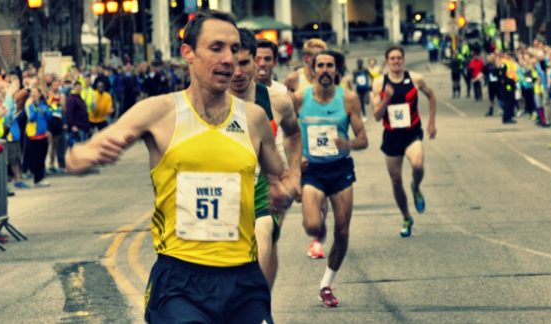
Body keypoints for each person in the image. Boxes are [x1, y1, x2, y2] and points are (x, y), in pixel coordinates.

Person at [67, 10, 291, 323]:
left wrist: (284, 191)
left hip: (243, 278)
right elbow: (78, 154)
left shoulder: (253, 119)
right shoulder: (158, 112)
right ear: (188, 52)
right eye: (216, 48)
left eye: (234, 48)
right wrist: (84, 157)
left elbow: (279, 177)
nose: (229, 58)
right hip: (181, 281)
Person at [293, 49, 368, 307]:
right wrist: (294, 161)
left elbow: (363, 139)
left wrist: (348, 143)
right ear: (313, 70)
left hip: (340, 170)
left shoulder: (348, 99)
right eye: (320, 65)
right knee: (312, 227)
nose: (325, 70)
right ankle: (320, 226)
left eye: (330, 66)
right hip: (312, 171)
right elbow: (285, 133)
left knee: (344, 231)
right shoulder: (299, 100)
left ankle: (326, 284)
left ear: (337, 70)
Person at [229, 29, 302, 289]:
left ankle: (260, 306)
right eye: (232, 64)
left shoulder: (277, 101)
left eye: (244, 63)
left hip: (265, 186)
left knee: (265, 240)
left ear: (256, 62)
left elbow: (293, 133)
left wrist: (293, 175)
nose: (237, 72)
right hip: (225, 193)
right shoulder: (208, 102)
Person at [371, 45, 437, 237]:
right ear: (387, 61)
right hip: (391, 136)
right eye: (392, 59)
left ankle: (416, 187)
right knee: (396, 180)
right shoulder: (379, 84)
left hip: (412, 132)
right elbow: (376, 115)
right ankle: (407, 217)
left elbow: (432, 96)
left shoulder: (415, 79)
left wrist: (432, 123)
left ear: (403, 60)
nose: (396, 62)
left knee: (417, 164)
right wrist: (387, 98)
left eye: (399, 58)